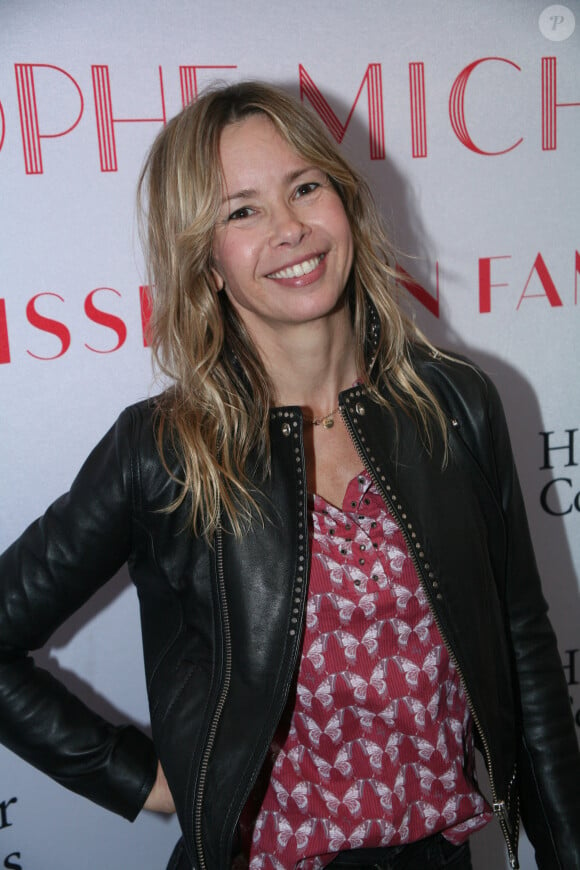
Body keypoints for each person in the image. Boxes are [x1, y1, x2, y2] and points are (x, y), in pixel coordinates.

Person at [0, 81, 578, 870]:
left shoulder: (451, 399)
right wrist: (143, 779)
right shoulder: (167, 449)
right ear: (205, 261)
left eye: (305, 187)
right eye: (242, 210)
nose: (292, 229)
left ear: (346, 202)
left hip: (442, 854)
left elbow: (521, 650)